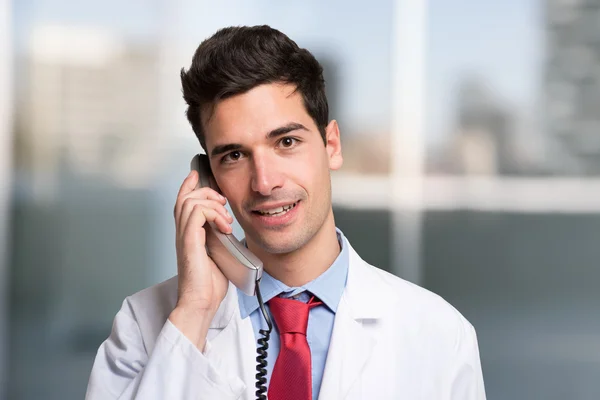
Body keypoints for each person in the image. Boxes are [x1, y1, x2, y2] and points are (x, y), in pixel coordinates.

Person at [85, 25, 486, 400]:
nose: (264, 182)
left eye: (287, 142)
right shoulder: (144, 324)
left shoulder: (440, 335)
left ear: (331, 145)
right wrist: (194, 312)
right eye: (235, 155)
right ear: (208, 177)